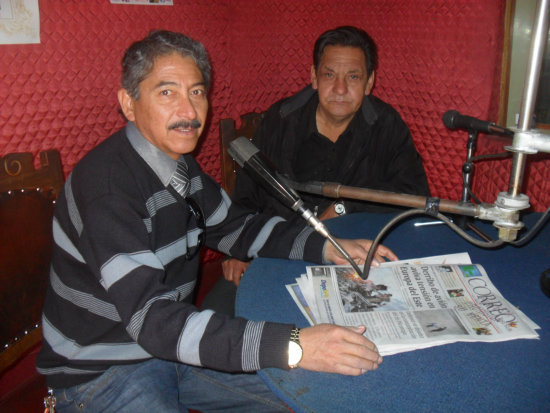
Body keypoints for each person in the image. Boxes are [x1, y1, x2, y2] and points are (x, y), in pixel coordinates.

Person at [36, 30, 398, 412]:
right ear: (129, 103)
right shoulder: (107, 188)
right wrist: (295, 344)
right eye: (167, 92)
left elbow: (237, 228)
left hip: (169, 347)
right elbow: (153, 321)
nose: (189, 112)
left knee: (302, 400)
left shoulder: (179, 168)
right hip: (101, 371)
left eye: (196, 92)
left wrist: (325, 247)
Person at [214, 25, 430, 298]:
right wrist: (238, 249)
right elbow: (247, 193)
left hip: (351, 257)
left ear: (369, 82)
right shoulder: (280, 120)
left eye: (353, 76)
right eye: (329, 74)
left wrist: (343, 207)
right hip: (276, 253)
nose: (340, 88)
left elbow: (415, 196)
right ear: (314, 77)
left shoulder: (387, 126)